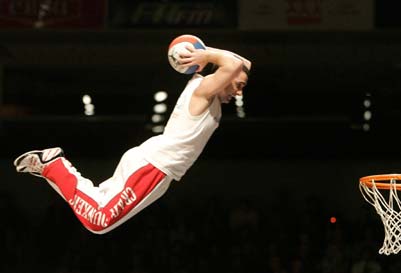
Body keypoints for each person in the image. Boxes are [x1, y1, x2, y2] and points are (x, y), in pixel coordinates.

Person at [13, 43, 251, 234]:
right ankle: (53, 165)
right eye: (238, 85)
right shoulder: (204, 89)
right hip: (155, 166)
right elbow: (234, 63)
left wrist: (206, 53)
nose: (239, 92)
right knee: (98, 221)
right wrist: (205, 54)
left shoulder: (209, 89)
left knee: (99, 210)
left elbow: (243, 63)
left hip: (154, 164)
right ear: (222, 75)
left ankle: (53, 166)